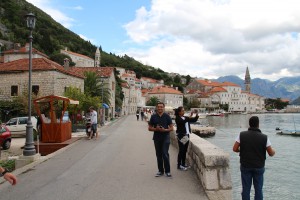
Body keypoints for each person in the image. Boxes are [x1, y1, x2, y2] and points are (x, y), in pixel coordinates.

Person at [233, 116, 275, 200]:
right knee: (258, 190)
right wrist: (274, 151)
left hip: (245, 166)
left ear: (249, 124)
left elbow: (234, 149)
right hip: (259, 166)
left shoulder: (241, 135)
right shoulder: (264, 137)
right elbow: (271, 153)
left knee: (246, 189)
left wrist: (241, 150)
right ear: (258, 125)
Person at [148, 102, 174, 178]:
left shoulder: (167, 116)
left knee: (165, 154)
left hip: (166, 137)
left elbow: (171, 128)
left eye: (161, 107)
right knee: (158, 155)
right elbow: (149, 128)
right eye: (158, 107)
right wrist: (156, 129)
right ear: (156, 107)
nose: (160, 108)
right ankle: (160, 171)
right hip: (156, 138)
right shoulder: (153, 117)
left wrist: (165, 130)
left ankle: (168, 171)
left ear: (164, 107)